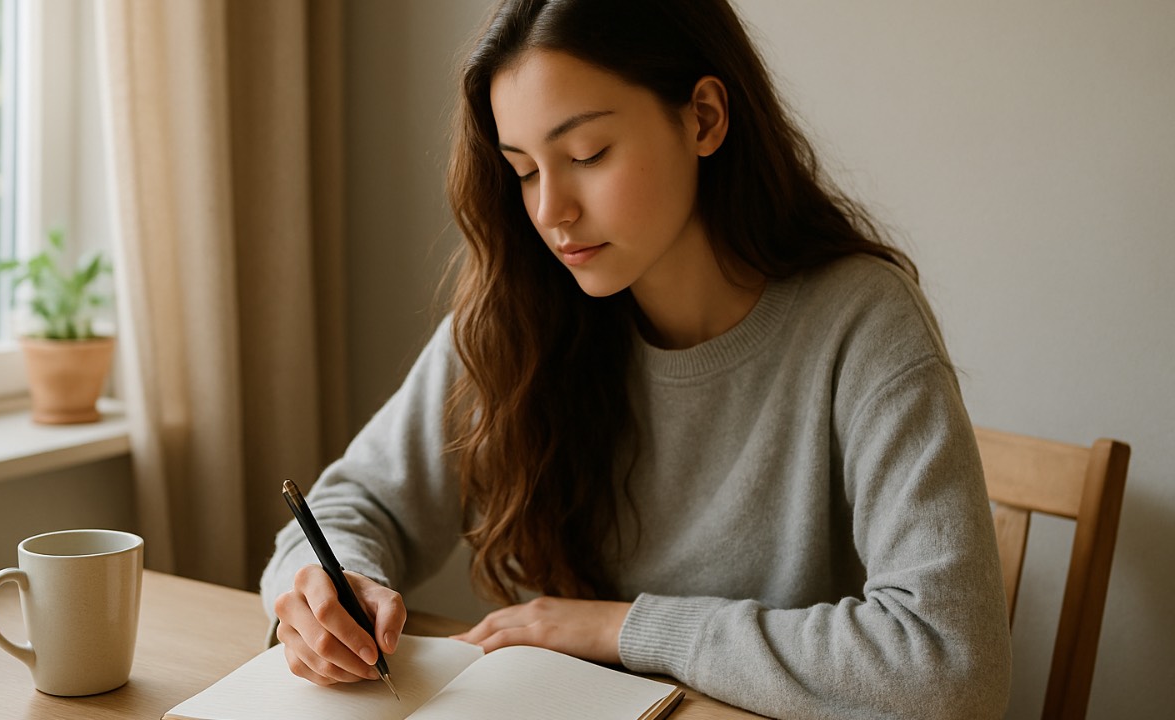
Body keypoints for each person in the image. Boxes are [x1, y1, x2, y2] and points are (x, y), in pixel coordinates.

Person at [261, 0, 1012, 717]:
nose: (551, 210)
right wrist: (326, 589)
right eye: (523, 169)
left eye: (587, 153)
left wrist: (624, 629)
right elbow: (351, 505)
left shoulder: (860, 320)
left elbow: (950, 668)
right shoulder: (520, 309)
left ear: (705, 119)